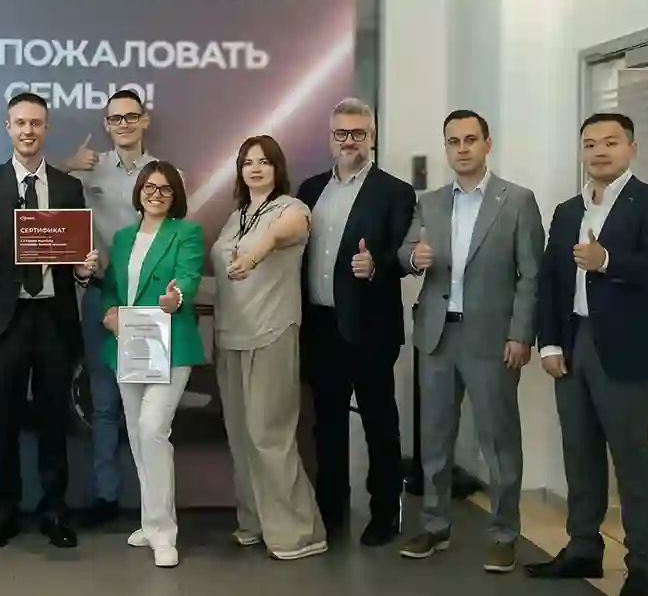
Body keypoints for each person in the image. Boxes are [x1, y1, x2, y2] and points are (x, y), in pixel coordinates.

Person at [526, 113, 648, 596]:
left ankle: (642, 567)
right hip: (573, 342)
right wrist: (549, 343)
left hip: (625, 347)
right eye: (590, 143)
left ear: (631, 148)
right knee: (579, 452)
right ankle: (583, 549)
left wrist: (606, 260)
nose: (599, 151)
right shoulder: (567, 210)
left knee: (632, 458)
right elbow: (551, 280)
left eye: (611, 142)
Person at [396, 110, 544, 572]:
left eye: (469, 139)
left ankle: (503, 534)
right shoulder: (430, 203)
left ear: (486, 144)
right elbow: (405, 252)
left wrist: (521, 334)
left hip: (492, 339)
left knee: (498, 441)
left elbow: (531, 275)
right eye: (453, 141)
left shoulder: (517, 201)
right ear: (446, 147)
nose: (461, 148)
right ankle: (435, 526)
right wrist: (414, 258)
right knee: (435, 439)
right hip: (437, 336)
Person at [0, 92, 99, 550]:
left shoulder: (68, 187)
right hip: (6, 319)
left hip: (54, 317)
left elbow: (76, 252)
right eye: (20, 123)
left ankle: (54, 512)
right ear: (8, 127)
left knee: (55, 419)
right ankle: (2, 513)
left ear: (46, 128)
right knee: (4, 418)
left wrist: (83, 269)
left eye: (36, 123)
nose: (28, 131)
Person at [297, 97, 415, 546]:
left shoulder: (395, 191)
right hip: (320, 325)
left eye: (358, 133)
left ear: (373, 137)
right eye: (341, 133)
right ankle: (332, 510)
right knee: (326, 424)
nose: (349, 141)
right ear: (330, 138)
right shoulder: (309, 190)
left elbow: (404, 255)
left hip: (370, 327)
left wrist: (377, 265)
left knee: (379, 424)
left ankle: (385, 514)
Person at [211, 135, 327, 561]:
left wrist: (257, 251)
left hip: (272, 331)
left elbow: (286, 232)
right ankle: (255, 521)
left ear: (278, 168)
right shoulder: (236, 216)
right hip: (231, 337)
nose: (256, 168)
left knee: (269, 435)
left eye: (264, 161)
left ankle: (298, 533)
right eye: (248, 162)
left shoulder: (291, 209)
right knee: (242, 436)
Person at [60, 87, 158, 528]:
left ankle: (154, 502)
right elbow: (43, 198)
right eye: (115, 118)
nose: (124, 124)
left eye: (131, 116)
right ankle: (106, 496)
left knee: (147, 408)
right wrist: (67, 166)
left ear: (144, 120)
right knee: (102, 403)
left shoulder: (163, 173)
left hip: (146, 300)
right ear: (106, 124)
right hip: (99, 295)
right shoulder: (88, 168)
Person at [99, 160, 205, 568]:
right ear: (139, 191)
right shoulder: (123, 237)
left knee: (152, 429)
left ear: (175, 195)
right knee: (137, 435)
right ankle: (150, 520)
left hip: (170, 343)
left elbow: (188, 278)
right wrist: (109, 312)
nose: (156, 194)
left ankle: (163, 532)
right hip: (131, 342)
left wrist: (176, 298)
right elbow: (112, 287)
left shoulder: (187, 232)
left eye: (165, 189)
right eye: (150, 187)